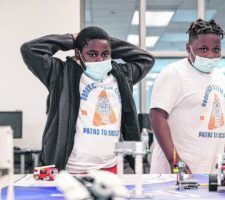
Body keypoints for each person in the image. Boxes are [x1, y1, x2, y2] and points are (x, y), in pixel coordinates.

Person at [20, 26, 155, 173]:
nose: (99, 59)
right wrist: (71, 39)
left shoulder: (122, 75)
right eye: (92, 54)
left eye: (105, 54)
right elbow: (29, 50)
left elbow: (146, 59)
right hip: (69, 170)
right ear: (78, 53)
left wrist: (107, 42)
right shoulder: (61, 74)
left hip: (112, 167)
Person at [149, 18, 225, 174]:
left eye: (216, 49)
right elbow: (156, 116)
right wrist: (175, 162)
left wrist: (224, 159)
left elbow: (220, 125)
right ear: (188, 48)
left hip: (210, 170)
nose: (211, 55)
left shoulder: (221, 77)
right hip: (179, 171)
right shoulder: (174, 73)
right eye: (203, 49)